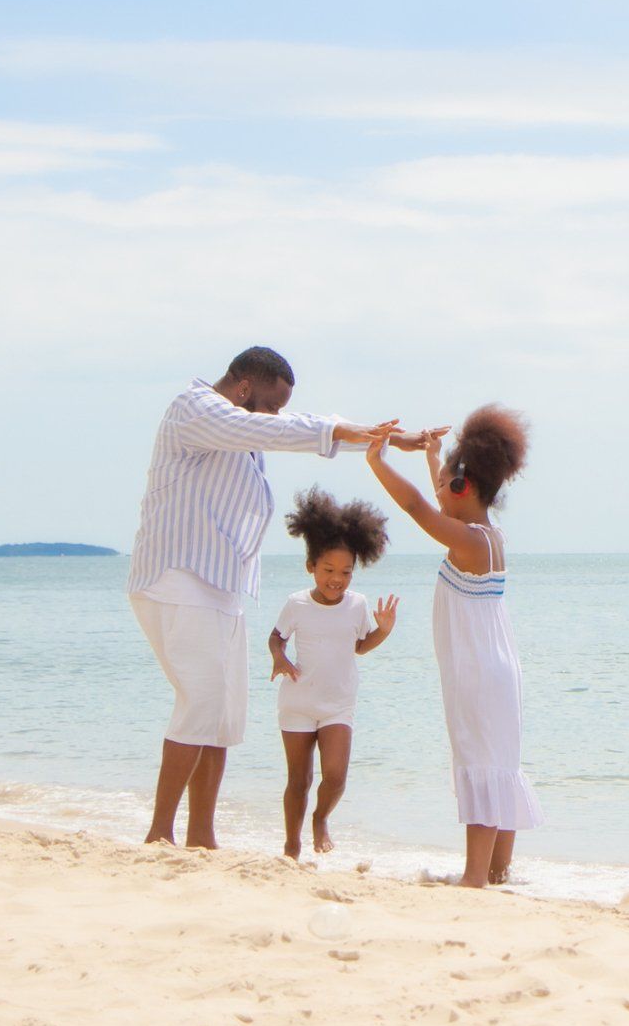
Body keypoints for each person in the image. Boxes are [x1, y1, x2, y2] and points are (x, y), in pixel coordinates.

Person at [127, 346, 427, 849]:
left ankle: (202, 838)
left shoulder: (242, 429)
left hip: (221, 584)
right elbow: (281, 430)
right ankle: (160, 834)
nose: (275, 416)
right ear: (243, 388)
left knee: (223, 717)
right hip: (176, 578)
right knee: (199, 702)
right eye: (270, 403)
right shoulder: (195, 408)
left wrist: (386, 438)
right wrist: (354, 432)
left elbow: (286, 427)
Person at [364, 406, 543, 887]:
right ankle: (498, 869)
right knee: (499, 764)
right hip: (497, 667)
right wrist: (434, 456)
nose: (438, 487)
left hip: (478, 672)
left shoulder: (468, 541)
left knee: (480, 762)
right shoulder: (487, 536)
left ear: (461, 487)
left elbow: (418, 507)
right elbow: (444, 498)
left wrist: (377, 463)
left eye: (444, 481)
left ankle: (474, 877)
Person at [269, 486, 399, 859]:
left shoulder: (357, 605)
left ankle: (321, 819)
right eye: (328, 570)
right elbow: (276, 638)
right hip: (297, 701)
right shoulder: (296, 604)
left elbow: (359, 645)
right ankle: (292, 844)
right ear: (311, 566)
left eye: (345, 571)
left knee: (336, 776)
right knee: (299, 780)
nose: (336, 579)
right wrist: (279, 656)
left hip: (338, 704)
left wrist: (384, 631)